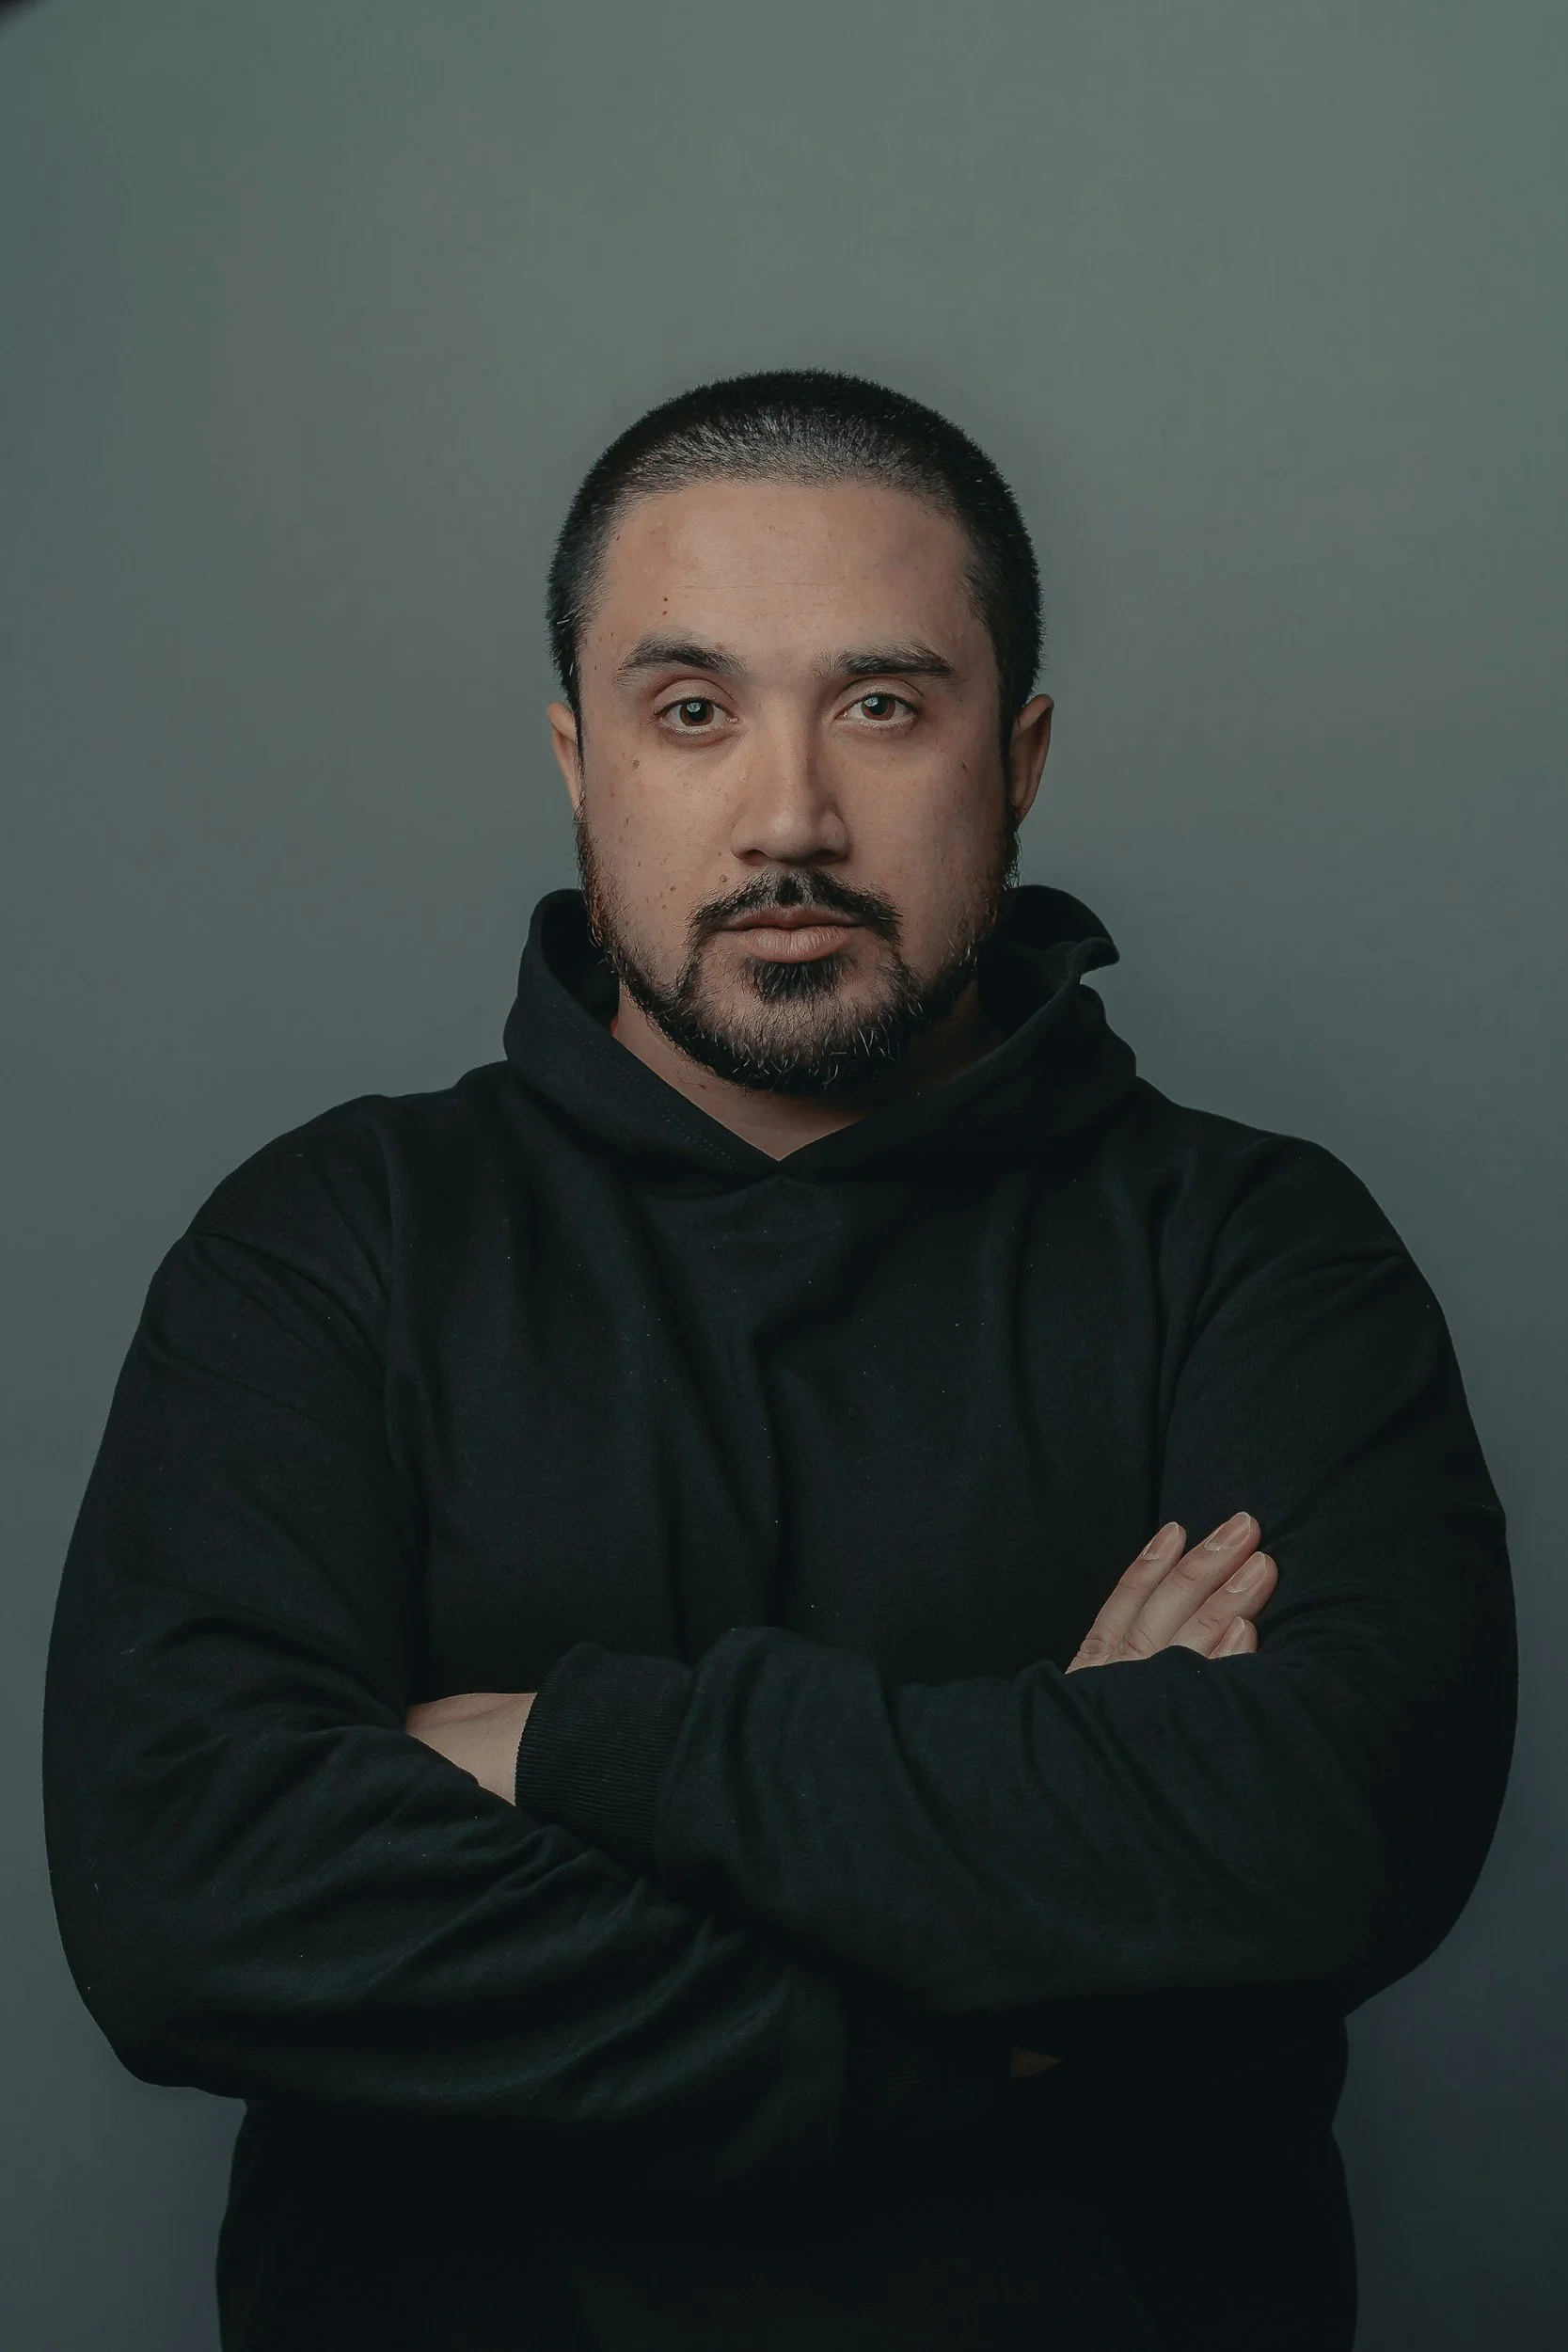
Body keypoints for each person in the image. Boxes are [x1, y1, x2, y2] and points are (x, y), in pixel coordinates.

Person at [43, 371, 1514, 2351]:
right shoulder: (329, 1247)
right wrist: (1000, 2013)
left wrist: (569, 1745)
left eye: (884, 703)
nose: (788, 814)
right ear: (578, 759)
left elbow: (1330, 1829)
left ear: (1021, 757)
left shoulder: (1257, 1251)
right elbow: (188, 1899)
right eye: (691, 709)